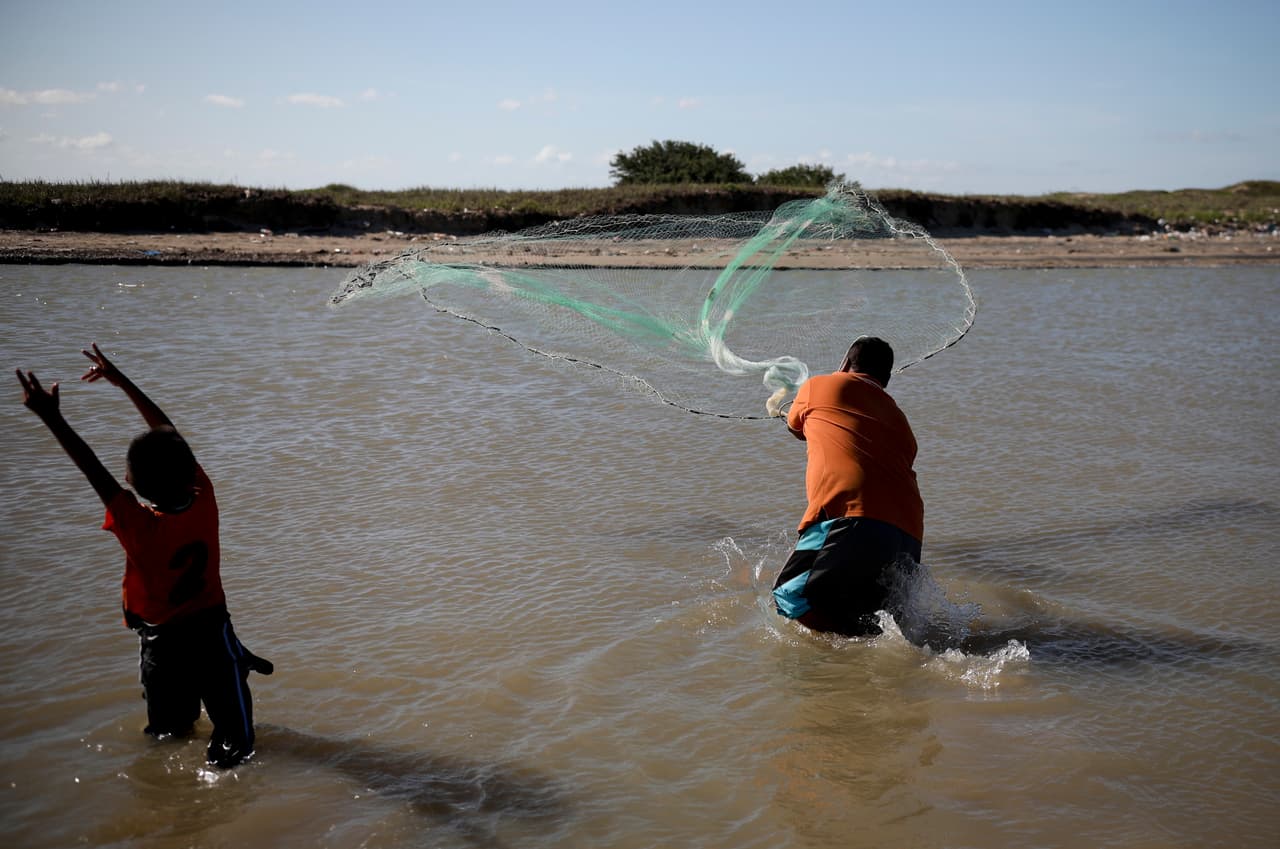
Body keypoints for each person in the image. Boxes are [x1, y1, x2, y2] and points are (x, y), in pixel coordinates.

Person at [15, 345, 271, 768]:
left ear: (134, 485)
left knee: (169, 735)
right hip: (211, 634)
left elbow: (92, 468)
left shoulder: (136, 525)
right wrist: (122, 382)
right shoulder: (203, 498)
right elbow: (168, 435)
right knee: (237, 743)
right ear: (190, 471)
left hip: (162, 643)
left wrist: (52, 418)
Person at [772, 336, 923, 637]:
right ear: (886, 379)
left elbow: (794, 426)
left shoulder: (819, 385)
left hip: (851, 515)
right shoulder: (899, 418)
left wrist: (781, 406)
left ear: (844, 364)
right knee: (873, 617)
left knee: (790, 595)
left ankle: (849, 649)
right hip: (909, 534)